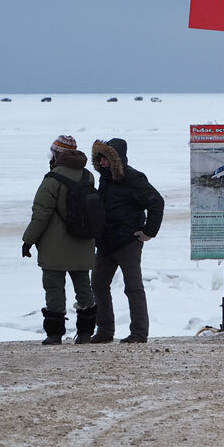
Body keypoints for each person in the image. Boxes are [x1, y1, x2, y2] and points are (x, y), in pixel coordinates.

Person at [21, 135, 97, 345]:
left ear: (57, 155)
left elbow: (40, 215)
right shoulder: (88, 176)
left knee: (54, 289)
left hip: (55, 247)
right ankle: (85, 333)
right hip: (83, 241)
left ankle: (54, 334)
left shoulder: (51, 180)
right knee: (84, 288)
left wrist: (28, 241)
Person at [89, 138, 164, 343]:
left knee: (133, 287)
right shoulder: (104, 178)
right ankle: (104, 331)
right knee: (98, 284)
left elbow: (157, 202)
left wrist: (149, 232)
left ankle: (139, 333)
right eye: (100, 159)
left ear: (116, 159)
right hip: (105, 243)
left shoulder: (133, 178)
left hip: (128, 241)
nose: (102, 163)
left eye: (105, 159)